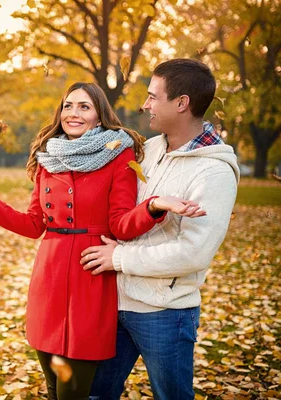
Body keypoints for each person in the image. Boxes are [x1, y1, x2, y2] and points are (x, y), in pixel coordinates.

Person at [0, 82, 205, 400]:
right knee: (54, 385)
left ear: (99, 116)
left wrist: (153, 207)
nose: (73, 113)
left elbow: (121, 226)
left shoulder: (118, 155)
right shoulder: (47, 158)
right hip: (49, 282)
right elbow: (33, 224)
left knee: (75, 389)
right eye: (68, 105)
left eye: (84, 106)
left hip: (91, 279)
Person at [82, 59, 240, 400]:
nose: (145, 104)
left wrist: (119, 258)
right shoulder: (148, 149)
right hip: (115, 302)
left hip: (165, 313)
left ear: (181, 103)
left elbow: (192, 253)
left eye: (153, 97)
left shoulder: (214, 173)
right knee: (95, 393)